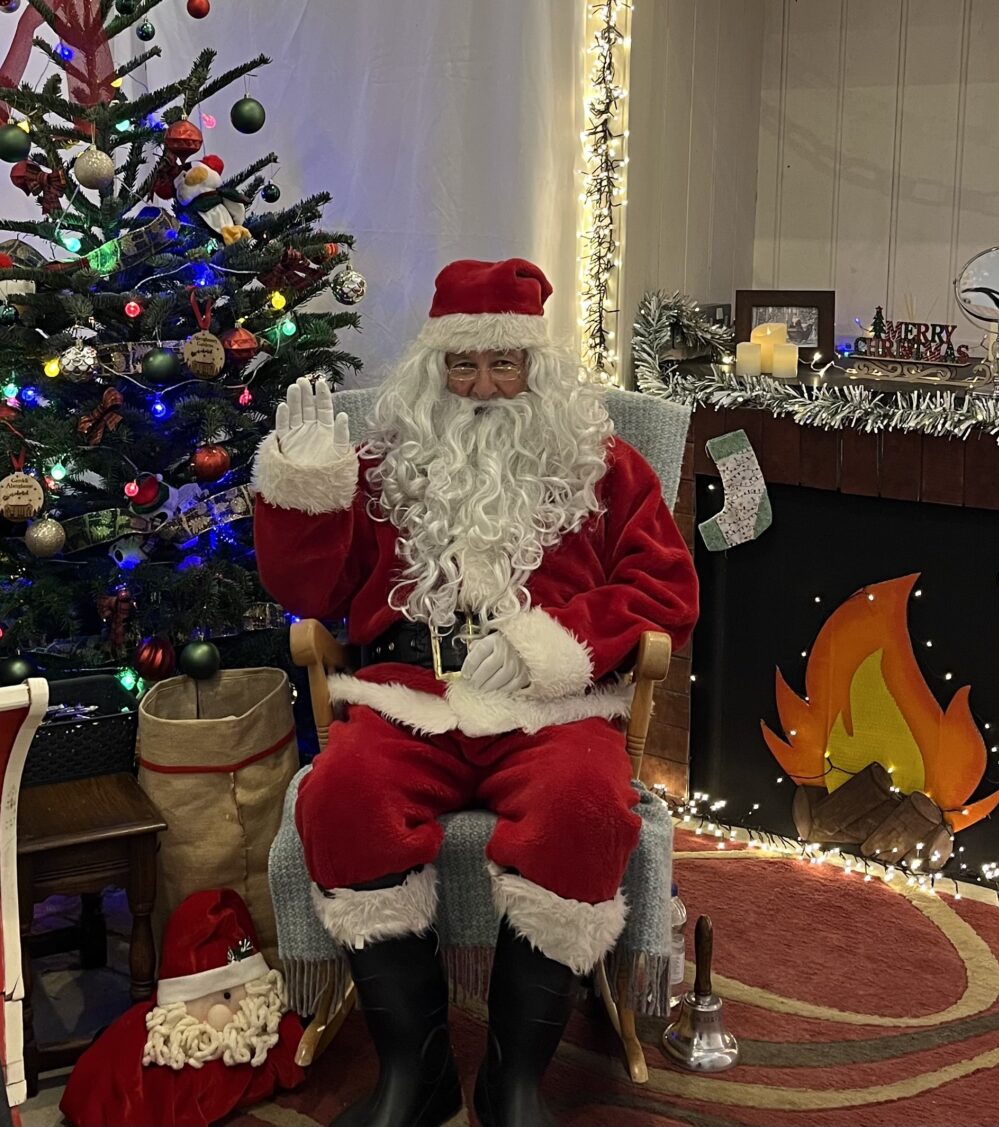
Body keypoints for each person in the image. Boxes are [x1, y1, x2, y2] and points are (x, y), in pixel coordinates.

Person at [251, 259, 699, 1127]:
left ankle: (512, 1081)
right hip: (407, 692)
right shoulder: (385, 466)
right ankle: (413, 1074)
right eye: (463, 365)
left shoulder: (604, 464)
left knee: (584, 803)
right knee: (344, 791)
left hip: (552, 705)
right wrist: (304, 497)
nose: (484, 386)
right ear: (436, 367)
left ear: (537, 366)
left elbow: (667, 592)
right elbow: (310, 592)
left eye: (504, 363)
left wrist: (549, 644)